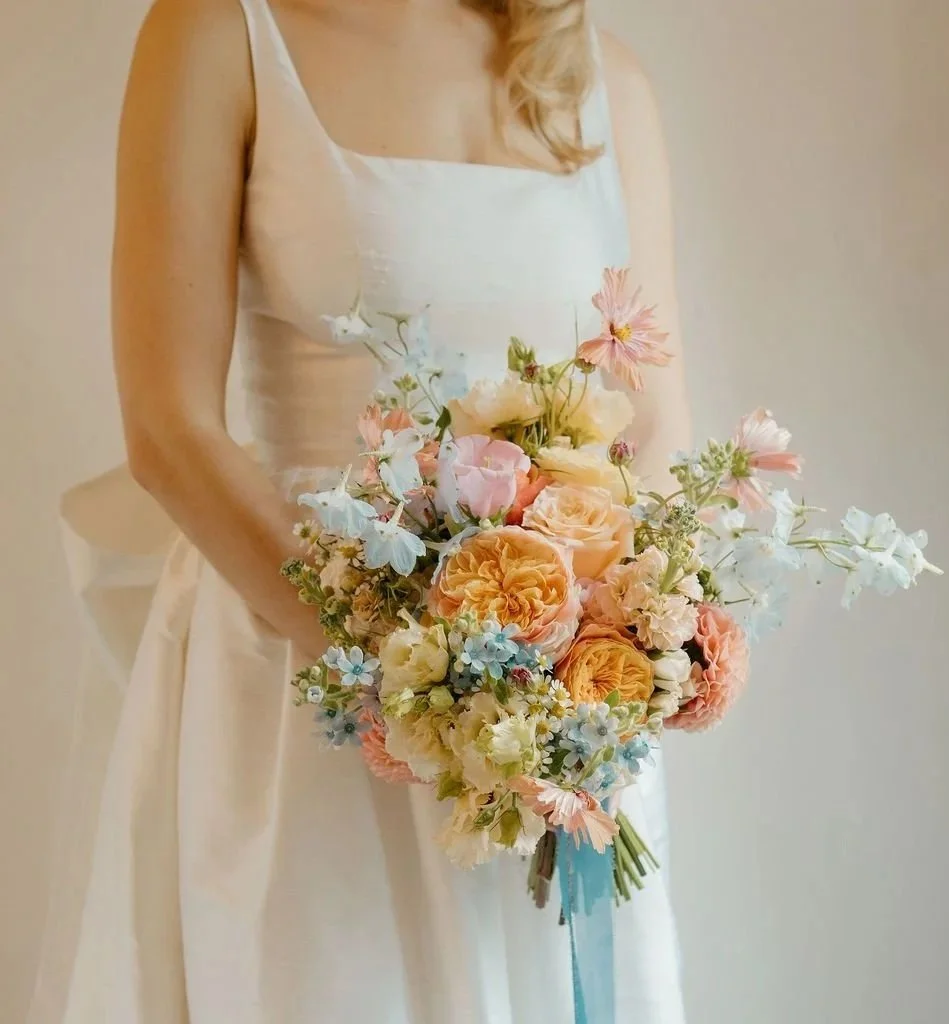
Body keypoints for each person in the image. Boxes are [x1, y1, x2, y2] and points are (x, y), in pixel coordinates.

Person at [31, 0, 690, 1020]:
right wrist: (426, 688)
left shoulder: (606, 79)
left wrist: (583, 676)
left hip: (554, 716)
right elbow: (168, 431)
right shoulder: (220, 32)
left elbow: (651, 432)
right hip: (309, 676)